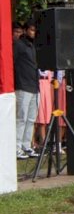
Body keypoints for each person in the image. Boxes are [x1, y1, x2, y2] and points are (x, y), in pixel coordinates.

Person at [13, 20, 40, 159]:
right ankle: (16, 146)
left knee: (31, 119)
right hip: (23, 85)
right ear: (25, 30)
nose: (33, 33)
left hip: (34, 86)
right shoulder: (18, 44)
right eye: (31, 30)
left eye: (35, 30)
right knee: (21, 118)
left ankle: (26, 145)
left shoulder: (32, 45)